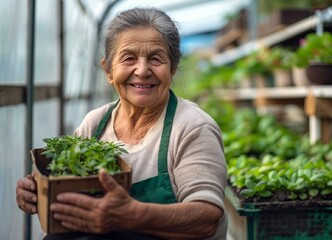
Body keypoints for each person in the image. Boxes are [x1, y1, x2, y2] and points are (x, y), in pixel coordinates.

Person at [16, 7, 228, 240]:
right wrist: (38, 190)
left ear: (172, 68)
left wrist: (132, 215)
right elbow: (69, 186)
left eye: (156, 59)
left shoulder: (192, 126)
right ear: (108, 70)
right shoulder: (95, 123)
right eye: (129, 58)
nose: (143, 70)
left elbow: (207, 218)